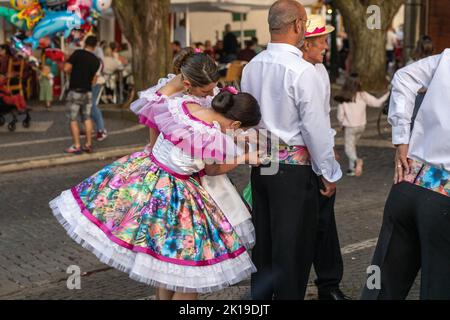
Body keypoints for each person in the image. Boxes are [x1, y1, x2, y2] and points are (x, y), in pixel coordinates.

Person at [49, 70, 261, 300]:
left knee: (165, 262)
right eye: (240, 129)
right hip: (179, 194)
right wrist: (243, 158)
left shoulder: (183, 106)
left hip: (149, 177)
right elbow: (211, 170)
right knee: (190, 270)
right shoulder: (212, 137)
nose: (238, 133)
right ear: (236, 122)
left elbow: (158, 110)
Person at [241, 0, 342, 300]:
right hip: (294, 169)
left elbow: (248, 119)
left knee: (265, 245)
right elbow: (315, 129)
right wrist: (329, 172)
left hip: (263, 164)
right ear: (298, 25)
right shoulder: (301, 70)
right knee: (292, 249)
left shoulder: (252, 67)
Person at [361, 49, 450, 300]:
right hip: (443, 198)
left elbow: (403, 77)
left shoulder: (446, 59)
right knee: (438, 287)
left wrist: (402, 139)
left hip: (410, 181)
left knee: (380, 285)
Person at [300, 14, 350, 301]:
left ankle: (329, 285)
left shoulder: (320, 72)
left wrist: (329, 154)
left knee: (325, 223)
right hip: (297, 161)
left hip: (318, 156)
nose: (326, 47)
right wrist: (326, 168)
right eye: (321, 42)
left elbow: (322, 118)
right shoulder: (297, 72)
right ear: (305, 44)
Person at [335, 74, 389, 176]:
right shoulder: (363, 95)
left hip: (350, 127)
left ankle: (356, 161)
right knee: (353, 146)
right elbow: (377, 103)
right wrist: (388, 93)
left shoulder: (344, 97)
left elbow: (340, 115)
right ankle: (352, 169)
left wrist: (341, 124)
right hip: (361, 126)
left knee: (348, 148)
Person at [63, 35, 101, 154]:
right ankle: (88, 144)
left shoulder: (77, 53)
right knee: (87, 118)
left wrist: (73, 71)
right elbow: (94, 80)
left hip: (75, 91)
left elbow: (66, 68)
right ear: (95, 46)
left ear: (85, 43)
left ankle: (77, 145)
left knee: (73, 119)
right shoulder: (96, 61)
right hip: (88, 92)